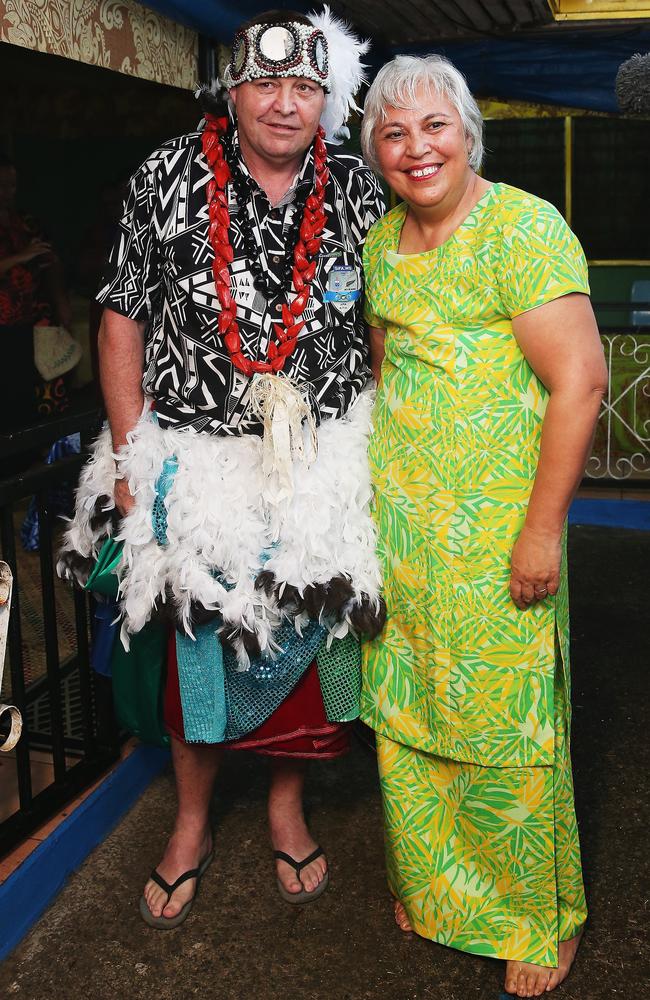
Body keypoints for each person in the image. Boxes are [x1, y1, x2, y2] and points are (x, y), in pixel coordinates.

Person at [58, 8, 385, 928]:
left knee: (314, 648)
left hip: (322, 464)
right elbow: (121, 314)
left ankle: (286, 807)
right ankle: (192, 821)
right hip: (194, 462)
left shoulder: (357, 187)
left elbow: (384, 330)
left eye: (306, 87)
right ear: (231, 91)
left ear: (326, 98)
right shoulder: (166, 177)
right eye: (267, 84)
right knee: (193, 643)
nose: (286, 104)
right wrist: (129, 454)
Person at [359, 55, 607, 998]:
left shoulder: (523, 227)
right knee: (413, 710)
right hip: (406, 541)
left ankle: (539, 922)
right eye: (393, 133)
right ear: (375, 151)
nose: (415, 148)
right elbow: (392, 380)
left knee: (510, 724)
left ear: (468, 132)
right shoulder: (383, 246)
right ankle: (439, 893)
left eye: (434, 127)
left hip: (503, 536)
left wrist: (542, 531)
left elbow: (580, 384)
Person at [0, 153, 73, 431]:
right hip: (3, 325)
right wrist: (21, 256)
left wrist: (61, 302)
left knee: (32, 391)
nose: (7, 193)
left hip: (32, 322)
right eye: (2, 185)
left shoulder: (26, 222)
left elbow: (50, 265)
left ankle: (34, 456)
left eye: (12, 186)